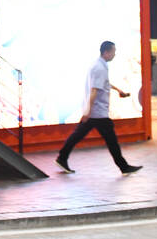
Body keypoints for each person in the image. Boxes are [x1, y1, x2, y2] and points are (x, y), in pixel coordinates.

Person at [56, 40, 142, 175]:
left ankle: (62, 157)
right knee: (111, 140)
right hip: (97, 112)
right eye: (113, 51)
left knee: (78, 135)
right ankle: (123, 167)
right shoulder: (99, 68)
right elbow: (94, 90)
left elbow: (105, 83)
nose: (115, 54)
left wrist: (119, 90)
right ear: (106, 52)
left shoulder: (100, 65)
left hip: (95, 112)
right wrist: (88, 112)